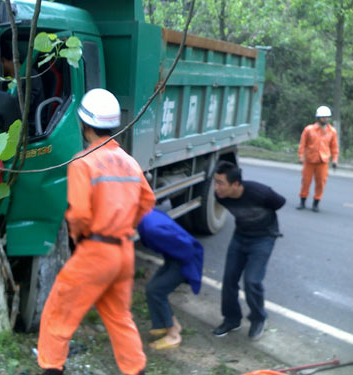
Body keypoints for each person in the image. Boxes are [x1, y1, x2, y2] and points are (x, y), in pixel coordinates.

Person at [37, 88, 156, 375]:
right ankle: (135, 370)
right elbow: (147, 200)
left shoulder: (83, 162)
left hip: (96, 251)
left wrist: (81, 237)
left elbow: (79, 214)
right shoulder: (129, 161)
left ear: (85, 125)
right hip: (124, 251)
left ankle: (51, 369)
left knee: (58, 312)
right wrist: (124, 223)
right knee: (119, 316)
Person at [212, 161, 285, 341]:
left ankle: (259, 318)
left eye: (220, 183)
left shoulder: (261, 193)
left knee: (252, 281)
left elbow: (280, 202)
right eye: (215, 182)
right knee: (229, 279)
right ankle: (232, 319)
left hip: (263, 238)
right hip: (240, 237)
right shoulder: (221, 196)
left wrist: (265, 223)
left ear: (235, 184)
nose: (216, 187)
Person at [137, 208, 204, 350]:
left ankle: (174, 335)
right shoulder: (148, 213)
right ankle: (170, 325)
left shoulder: (152, 228)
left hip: (184, 260)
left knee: (155, 291)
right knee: (153, 289)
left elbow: (187, 249)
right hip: (174, 258)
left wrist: (189, 271)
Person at [297, 105, 339, 212]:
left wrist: (335, 160)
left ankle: (316, 203)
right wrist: (301, 156)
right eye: (323, 116)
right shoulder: (309, 130)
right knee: (306, 181)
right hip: (310, 160)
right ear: (318, 117)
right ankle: (302, 202)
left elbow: (334, 147)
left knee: (321, 183)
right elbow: (302, 144)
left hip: (323, 161)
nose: (325, 118)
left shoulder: (332, 131)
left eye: (327, 116)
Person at [0, 36, 45, 132]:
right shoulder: (7, 80)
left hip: (30, 125)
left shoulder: (31, 76)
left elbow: (24, 107)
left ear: (3, 61)